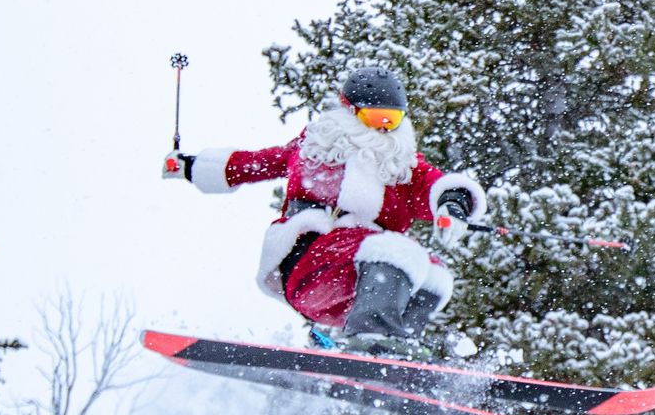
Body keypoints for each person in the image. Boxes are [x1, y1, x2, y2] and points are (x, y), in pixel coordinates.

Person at [172, 67, 488, 344]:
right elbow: (256, 164)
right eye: (375, 118)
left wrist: (453, 204)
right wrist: (192, 166)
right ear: (349, 111)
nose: (382, 129)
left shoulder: (402, 169)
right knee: (394, 251)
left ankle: (396, 347)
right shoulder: (315, 147)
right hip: (310, 262)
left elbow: (436, 186)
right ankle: (371, 337)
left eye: (391, 121)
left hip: (357, 284)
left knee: (435, 275)